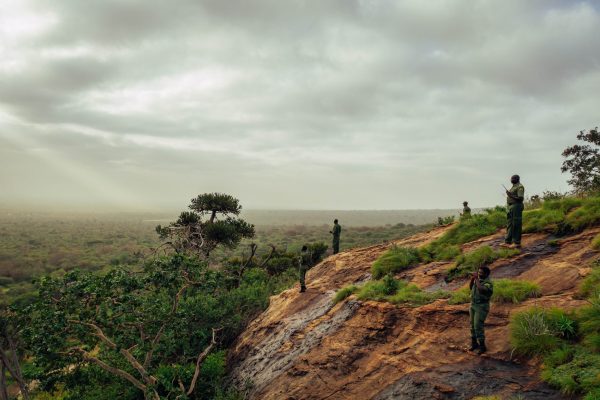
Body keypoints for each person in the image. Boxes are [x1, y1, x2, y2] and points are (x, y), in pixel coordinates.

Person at [469, 266, 494, 355]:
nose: (479, 274)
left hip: (481, 306)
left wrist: (476, 278)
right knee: (472, 325)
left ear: (487, 274)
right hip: (473, 304)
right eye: (478, 272)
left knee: (478, 326)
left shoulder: (488, 283)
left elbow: (481, 290)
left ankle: (482, 347)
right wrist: (473, 279)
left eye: (481, 273)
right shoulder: (478, 280)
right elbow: (471, 287)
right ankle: (474, 343)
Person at [503, 174, 525, 249]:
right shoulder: (513, 186)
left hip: (516, 206)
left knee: (516, 224)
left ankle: (517, 242)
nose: (511, 179)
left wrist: (510, 195)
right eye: (511, 178)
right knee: (509, 224)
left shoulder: (520, 187)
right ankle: (507, 241)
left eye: (513, 178)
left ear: (517, 179)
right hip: (510, 207)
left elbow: (520, 198)